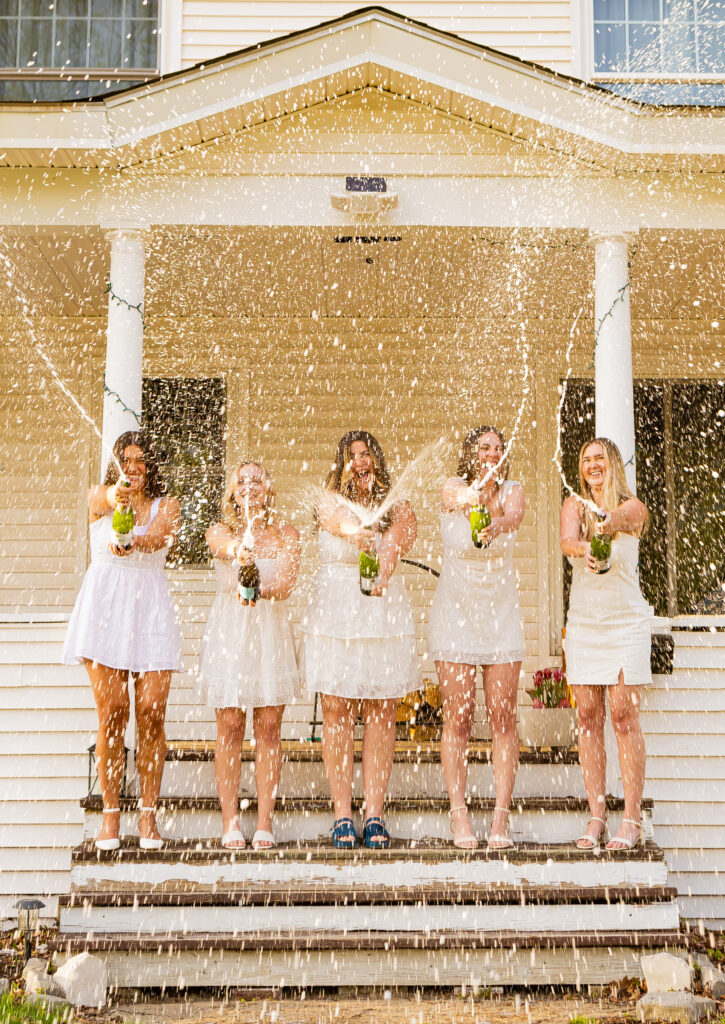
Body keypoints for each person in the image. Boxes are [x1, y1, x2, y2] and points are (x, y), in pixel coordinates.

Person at [63, 431, 182, 851]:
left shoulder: (168, 505)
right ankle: (111, 815)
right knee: (114, 711)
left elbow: (163, 535)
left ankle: (148, 816)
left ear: (151, 467)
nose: (133, 468)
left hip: (150, 607)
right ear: (116, 465)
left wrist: (133, 539)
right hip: (106, 611)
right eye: (125, 460)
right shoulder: (102, 495)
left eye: (141, 461)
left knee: (151, 710)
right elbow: (103, 501)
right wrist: (119, 497)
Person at [300, 431, 418, 849]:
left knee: (382, 711)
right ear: (343, 464)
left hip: (381, 612)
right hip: (337, 615)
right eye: (352, 457)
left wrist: (384, 567)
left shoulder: (395, 504)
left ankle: (374, 814)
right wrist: (359, 533)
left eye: (367, 455)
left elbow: (401, 536)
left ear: (377, 462)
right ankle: (342, 815)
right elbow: (337, 522)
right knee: (336, 710)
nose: (361, 462)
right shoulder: (329, 499)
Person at [429, 426, 525, 850]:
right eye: (484, 447)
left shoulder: (511, 490)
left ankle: (501, 820)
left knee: (503, 717)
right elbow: (453, 498)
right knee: (460, 717)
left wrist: (498, 522)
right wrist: (474, 494)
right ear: (471, 452)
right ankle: (460, 816)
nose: (492, 453)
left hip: (500, 616)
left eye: (498, 448)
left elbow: (515, 515)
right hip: (455, 615)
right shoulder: (454, 486)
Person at [198, 460, 301, 850]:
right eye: (242, 481)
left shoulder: (286, 534)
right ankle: (230, 823)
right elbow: (218, 545)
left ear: (268, 488)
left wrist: (258, 588)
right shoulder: (222, 530)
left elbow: (287, 582)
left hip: (269, 633)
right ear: (232, 490)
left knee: (269, 730)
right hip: (230, 634)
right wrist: (239, 550)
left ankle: (264, 822)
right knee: (228, 729)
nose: (249, 486)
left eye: (257, 480)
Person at [560, 437, 651, 852]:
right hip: (585, 624)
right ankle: (597, 814)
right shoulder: (573, 505)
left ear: (613, 463)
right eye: (586, 460)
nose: (592, 465)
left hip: (626, 624)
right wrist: (584, 547)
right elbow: (567, 542)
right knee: (589, 717)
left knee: (623, 717)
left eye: (599, 458)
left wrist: (605, 521)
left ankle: (631, 819)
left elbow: (624, 516)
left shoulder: (632, 508)